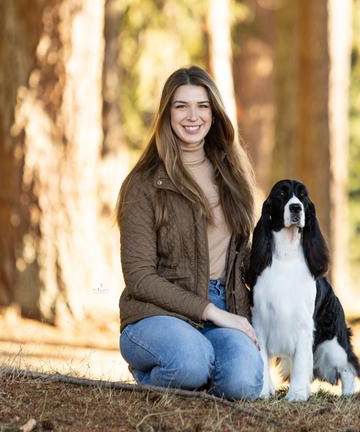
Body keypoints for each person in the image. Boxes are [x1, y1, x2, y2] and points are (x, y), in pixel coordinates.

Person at [116, 66, 263, 400]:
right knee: (189, 364)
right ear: (167, 114)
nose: (193, 116)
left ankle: (199, 370)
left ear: (214, 113)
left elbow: (245, 258)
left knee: (242, 383)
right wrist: (210, 311)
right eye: (181, 106)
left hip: (225, 306)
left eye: (202, 106)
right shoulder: (143, 184)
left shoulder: (233, 176)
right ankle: (167, 369)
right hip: (158, 312)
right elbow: (139, 277)